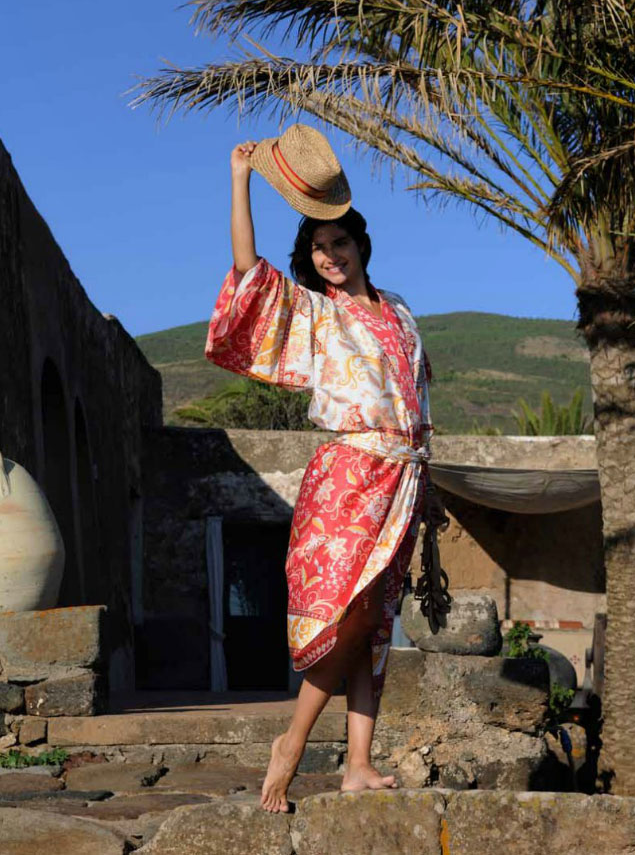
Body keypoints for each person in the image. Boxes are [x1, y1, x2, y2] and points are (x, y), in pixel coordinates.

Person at [205, 134, 446, 814]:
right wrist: (240, 178)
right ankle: (291, 743)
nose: (329, 256)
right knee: (345, 616)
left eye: (339, 243)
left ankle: (359, 763)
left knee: (374, 620)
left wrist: (428, 489)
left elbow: (420, 406)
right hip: (348, 474)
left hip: (402, 479)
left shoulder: (402, 313)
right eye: (318, 248)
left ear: (361, 245)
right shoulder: (316, 311)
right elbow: (247, 270)